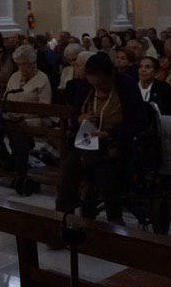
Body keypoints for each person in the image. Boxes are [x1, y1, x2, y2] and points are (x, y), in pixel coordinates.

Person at [56, 52, 128, 224]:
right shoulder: (85, 89)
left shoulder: (125, 87)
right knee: (67, 171)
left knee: (104, 173)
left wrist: (109, 135)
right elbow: (74, 115)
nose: (99, 88)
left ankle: (115, 220)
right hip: (87, 140)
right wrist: (80, 119)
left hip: (114, 143)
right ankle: (64, 220)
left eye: (102, 84)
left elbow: (136, 121)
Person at [3, 44, 52, 196]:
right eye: (18, 64)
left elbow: (44, 106)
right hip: (13, 117)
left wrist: (23, 115)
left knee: (18, 130)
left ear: (32, 62)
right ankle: (7, 162)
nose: (21, 67)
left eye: (23, 64)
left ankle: (20, 170)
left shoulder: (42, 79)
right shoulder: (14, 76)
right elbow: (6, 96)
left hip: (35, 119)